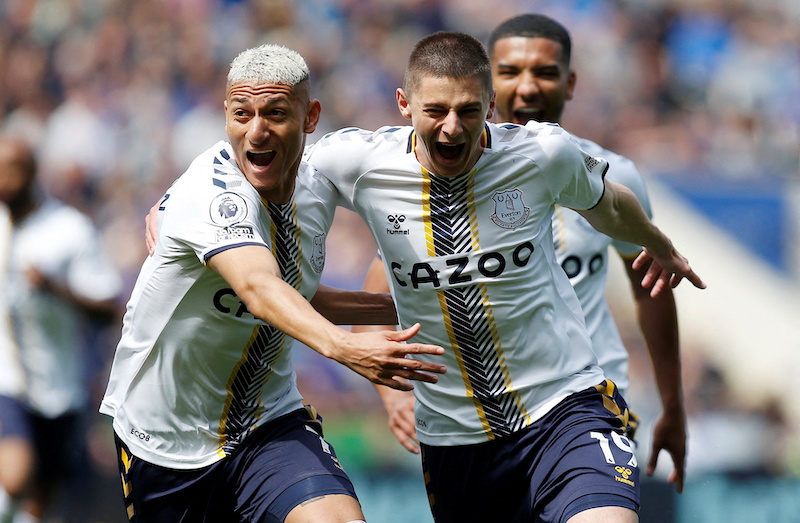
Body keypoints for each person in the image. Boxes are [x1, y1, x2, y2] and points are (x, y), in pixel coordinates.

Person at [302, 31, 705, 522]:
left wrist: (655, 241)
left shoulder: (541, 154)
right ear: (404, 104)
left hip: (563, 408)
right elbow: (281, 251)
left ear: (491, 106)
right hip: (455, 439)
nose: (452, 128)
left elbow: (613, 204)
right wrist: (366, 369)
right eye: (436, 111)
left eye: (469, 111)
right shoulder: (353, 163)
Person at [101, 44, 446, 523]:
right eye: (242, 114)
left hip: (269, 424)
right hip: (166, 443)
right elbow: (260, 291)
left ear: (310, 116)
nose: (256, 131)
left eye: (276, 113)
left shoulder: (317, 182)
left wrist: (418, 304)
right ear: (226, 114)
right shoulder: (212, 194)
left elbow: (295, 295)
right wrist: (347, 350)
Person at [0, 136, 124, 522]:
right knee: (15, 476)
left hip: (60, 386)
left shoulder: (68, 229)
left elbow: (108, 308)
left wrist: (55, 288)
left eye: (12, 170)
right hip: (8, 379)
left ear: (33, 173)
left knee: (39, 502)